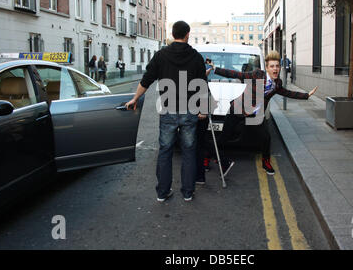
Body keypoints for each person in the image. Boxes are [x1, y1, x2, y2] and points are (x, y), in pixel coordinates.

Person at [125, 21, 207, 202]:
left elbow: (146, 80)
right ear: (187, 34)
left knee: (165, 151)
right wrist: (203, 109)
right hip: (189, 110)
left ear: (172, 33)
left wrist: (135, 98)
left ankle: (163, 192)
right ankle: (187, 192)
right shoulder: (196, 57)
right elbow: (202, 86)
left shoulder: (161, 55)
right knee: (188, 151)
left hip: (168, 110)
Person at [208, 51, 318, 176]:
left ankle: (266, 162)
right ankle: (207, 156)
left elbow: (288, 93)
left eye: (277, 66)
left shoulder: (277, 84)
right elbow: (237, 74)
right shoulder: (257, 75)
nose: (275, 69)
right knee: (224, 138)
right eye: (272, 66)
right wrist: (215, 69)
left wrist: (306, 95)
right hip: (238, 110)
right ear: (267, 68)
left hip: (255, 115)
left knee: (266, 137)